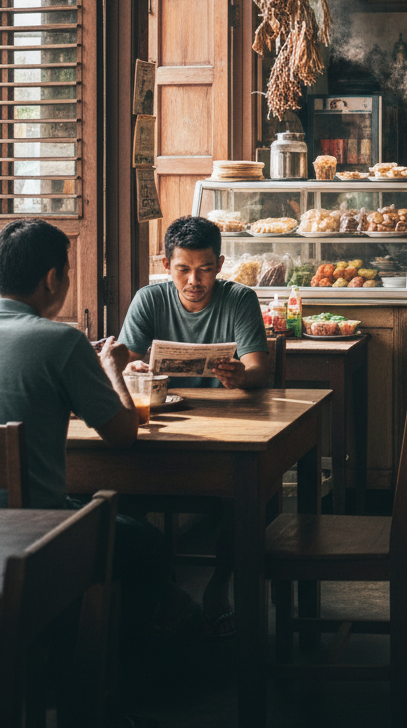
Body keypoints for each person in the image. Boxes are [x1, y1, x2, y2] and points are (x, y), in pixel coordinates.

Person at [0, 219, 177, 655]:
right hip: (34, 530)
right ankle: (110, 676)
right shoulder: (59, 341)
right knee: (149, 546)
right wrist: (112, 369)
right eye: (67, 273)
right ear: (52, 278)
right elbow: (122, 435)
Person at [118, 214, 270, 635]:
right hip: (162, 425)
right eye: (183, 269)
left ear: (219, 264)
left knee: (244, 496)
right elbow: (124, 360)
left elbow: (260, 368)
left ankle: (219, 585)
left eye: (204, 269)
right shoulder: (149, 299)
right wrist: (131, 367)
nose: (193, 281)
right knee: (122, 491)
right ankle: (161, 594)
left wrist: (242, 375)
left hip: (226, 429)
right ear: (166, 264)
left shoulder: (239, 298)